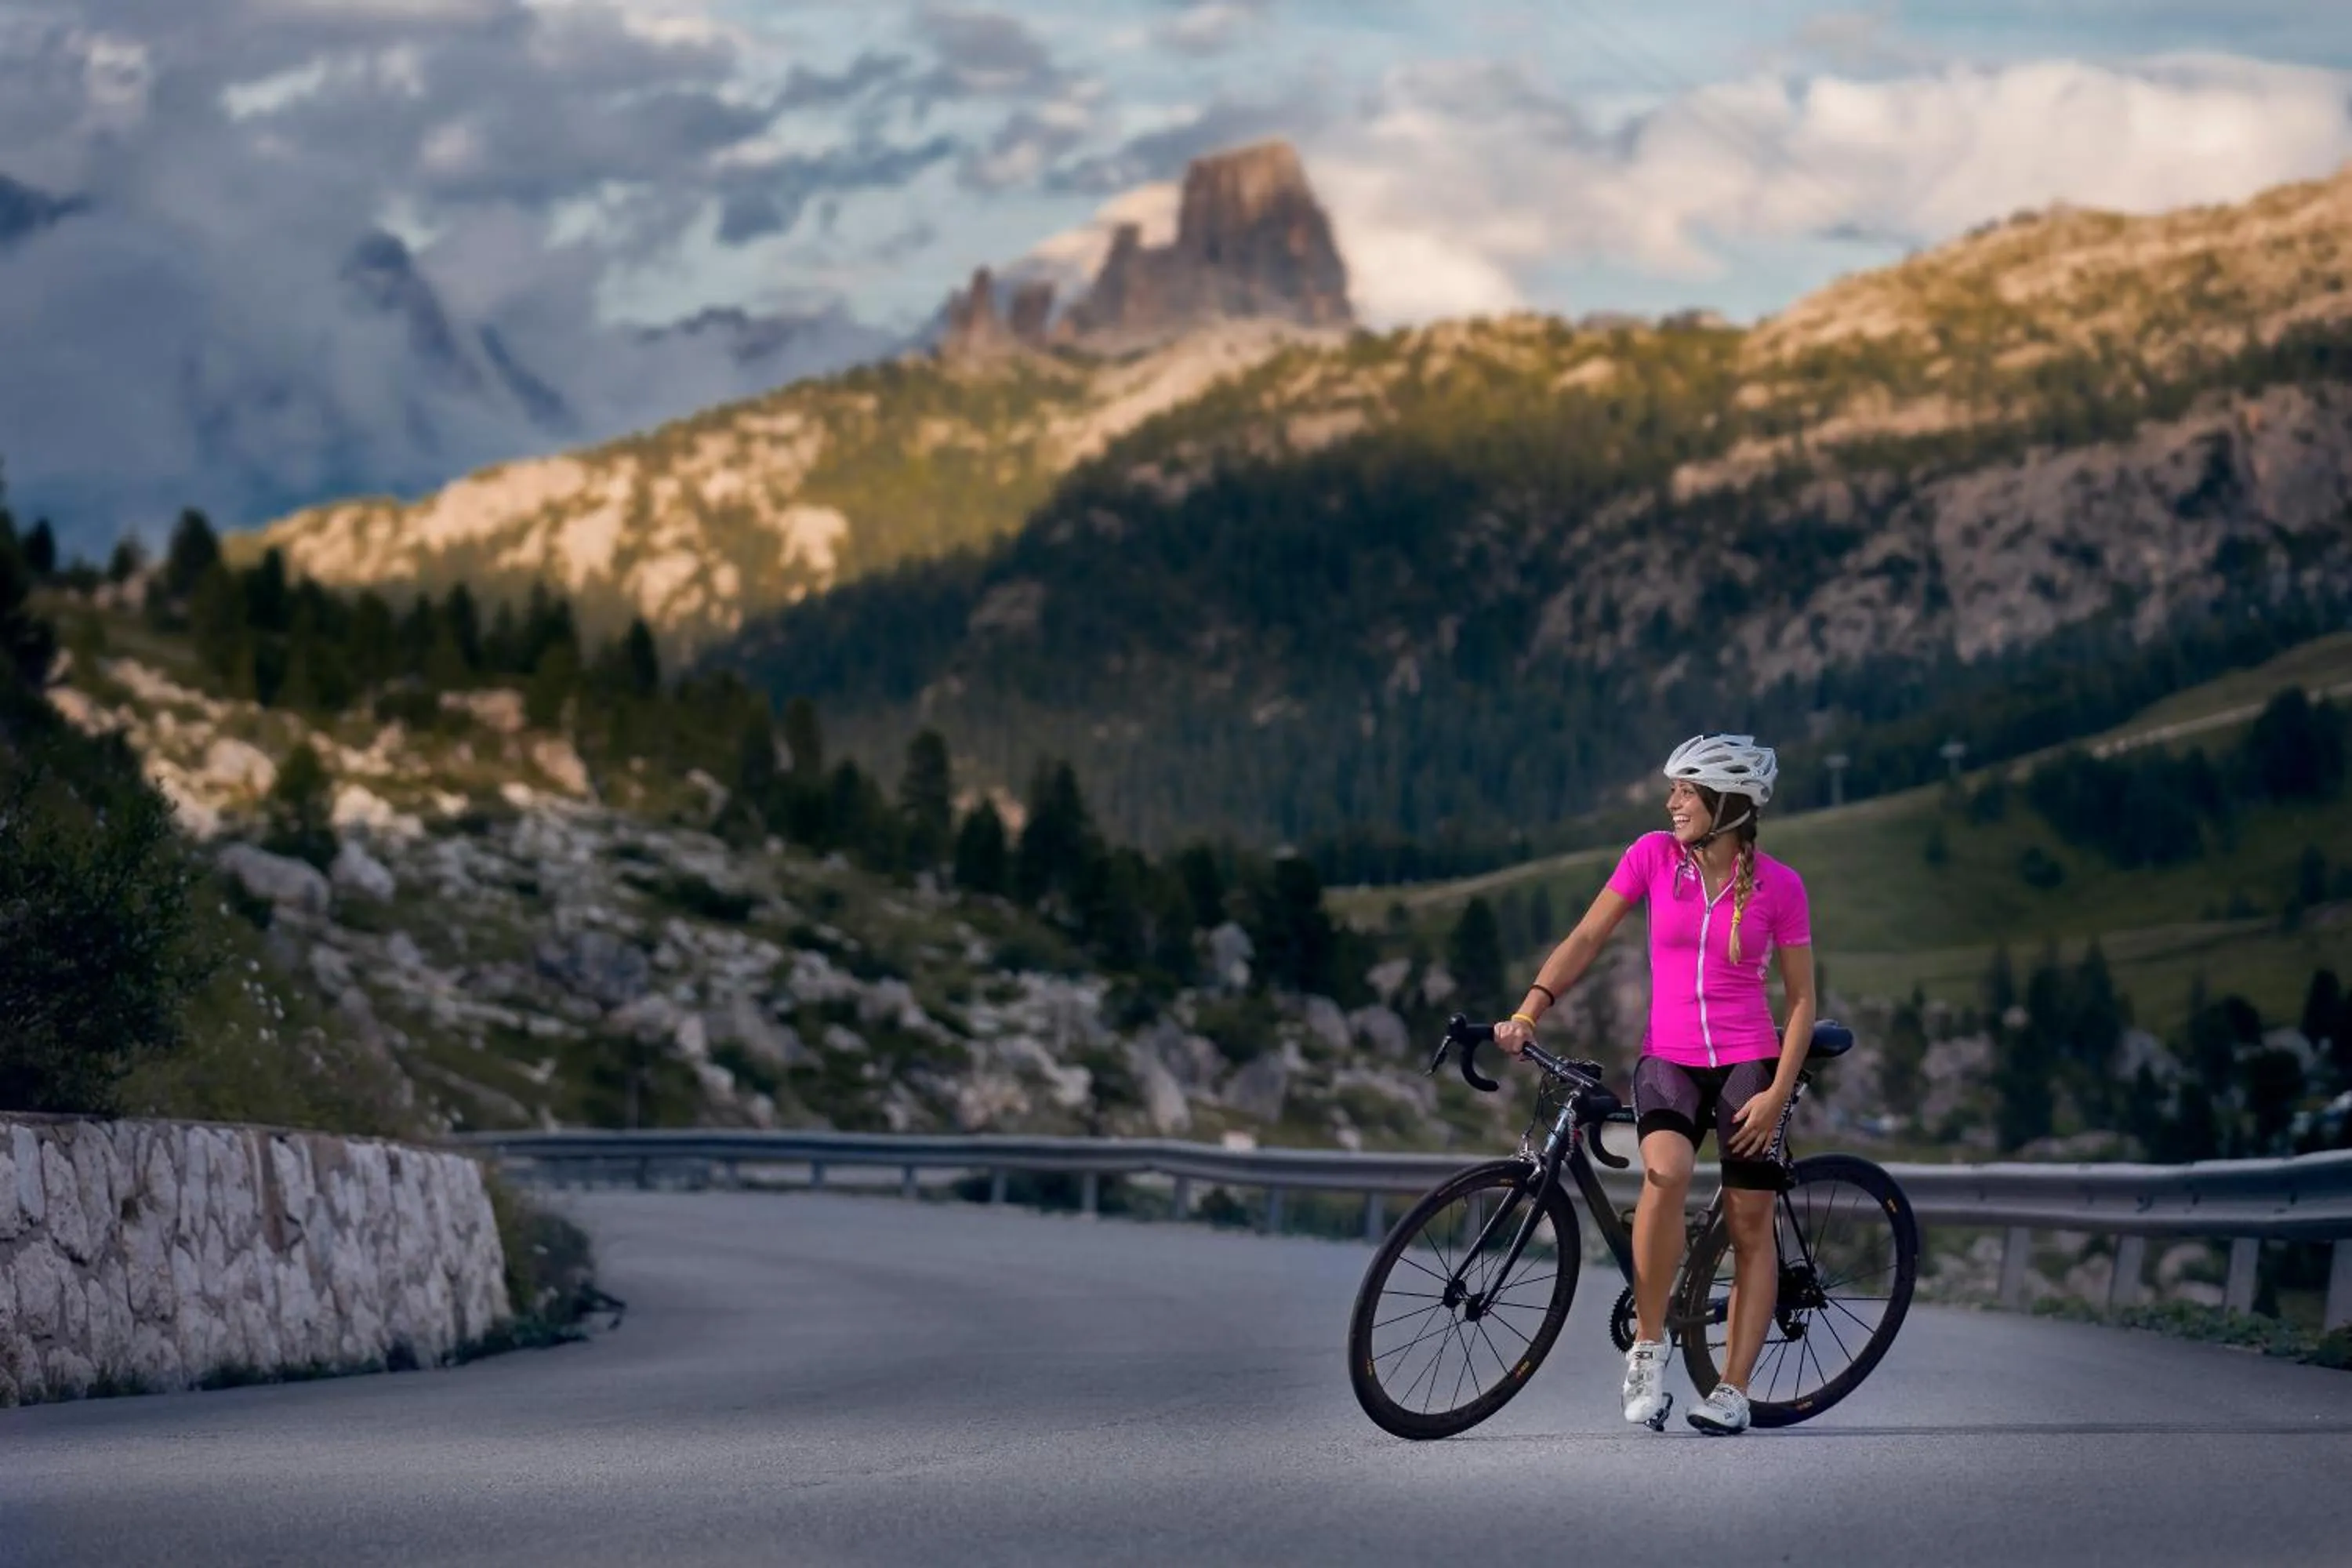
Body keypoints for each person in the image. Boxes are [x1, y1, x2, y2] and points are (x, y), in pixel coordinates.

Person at [1494, 733, 1815, 1436]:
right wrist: (1530, 1008)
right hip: (1667, 1056)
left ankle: (1732, 1390)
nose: (1672, 803)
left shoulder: (1780, 887)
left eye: (1686, 792)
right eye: (1673, 790)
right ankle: (1648, 1346)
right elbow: (1586, 937)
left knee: (1748, 1222)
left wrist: (1777, 1091)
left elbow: (1799, 1004)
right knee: (1664, 1176)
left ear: (1725, 805)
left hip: (1749, 1066)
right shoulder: (1651, 858)